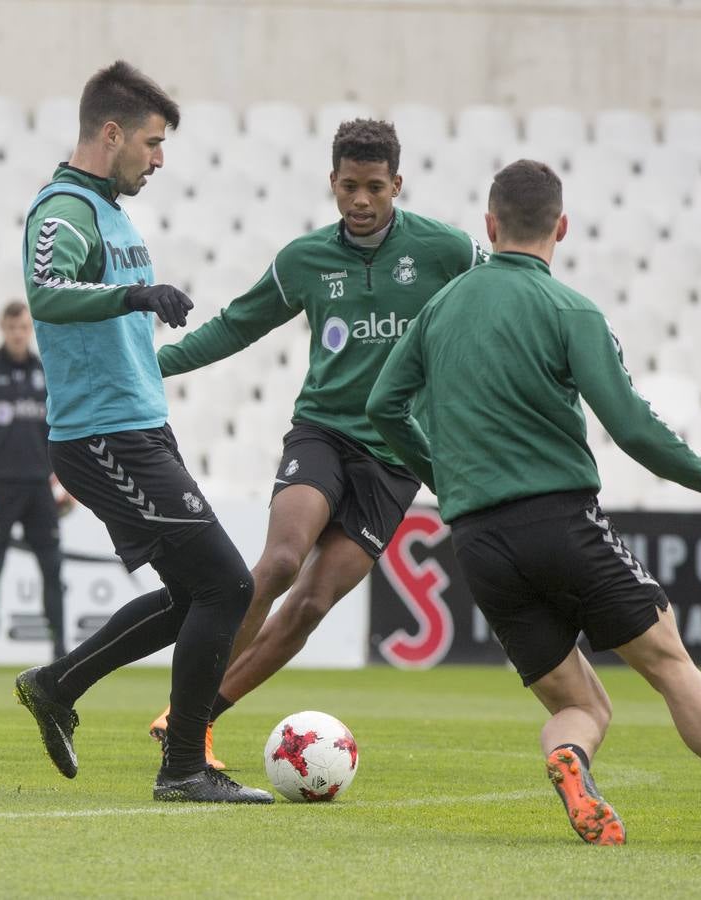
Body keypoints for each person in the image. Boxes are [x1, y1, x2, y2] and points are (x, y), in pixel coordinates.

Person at [366, 159, 701, 845]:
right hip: (558, 520)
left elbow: (383, 407)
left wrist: (444, 475)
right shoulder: (569, 309)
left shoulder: (440, 308)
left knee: (581, 704)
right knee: (668, 662)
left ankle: (571, 758)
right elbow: (631, 426)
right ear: (562, 227)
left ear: (489, 226)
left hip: (478, 540)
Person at [147, 119, 488, 766]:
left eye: (375, 188)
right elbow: (235, 326)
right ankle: (186, 711)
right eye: (350, 187)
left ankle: (197, 720)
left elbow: (505, 294)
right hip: (324, 432)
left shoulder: (446, 251)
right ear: (332, 182)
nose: (361, 201)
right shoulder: (305, 259)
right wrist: (155, 365)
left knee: (310, 604)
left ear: (397, 184)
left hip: (394, 458)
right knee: (279, 562)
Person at [11, 60, 272, 804]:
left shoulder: (113, 211)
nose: (159, 160)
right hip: (103, 436)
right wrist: (134, 293)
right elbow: (46, 293)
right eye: (152, 144)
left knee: (199, 596)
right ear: (112, 132)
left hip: (140, 428)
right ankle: (184, 767)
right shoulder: (63, 208)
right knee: (228, 584)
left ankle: (57, 685)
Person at [0, 301, 70, 669]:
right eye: (11, 328)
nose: (18, 334)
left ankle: (60, 652)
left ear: (30, 329)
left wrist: (70, 481)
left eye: (23, 327)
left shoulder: (48, 373)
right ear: (2, 328)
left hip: (40, 487)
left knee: (52, 569)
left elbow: (66, 430)